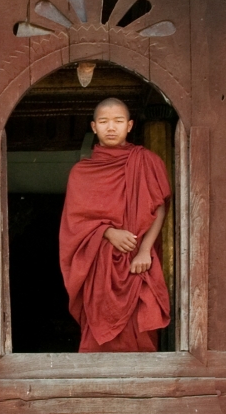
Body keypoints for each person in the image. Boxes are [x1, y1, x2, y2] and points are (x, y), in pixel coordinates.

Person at [59, 98, 171, 352]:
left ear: (129, 125)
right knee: (100, 329)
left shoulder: (146, 161)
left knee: (142, 326)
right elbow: (74, 223)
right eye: (104, 122)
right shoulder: (81, 172)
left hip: (137, 262)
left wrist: (145, 251)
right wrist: (108, 233)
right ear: (94, 127)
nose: (111, 127)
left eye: (118, 121)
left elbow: (159, 208)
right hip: (100, 266)